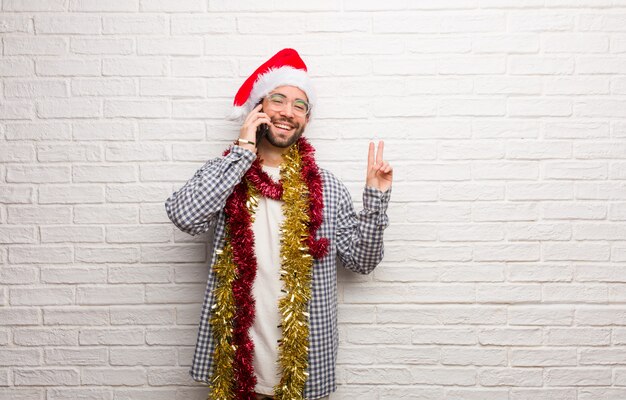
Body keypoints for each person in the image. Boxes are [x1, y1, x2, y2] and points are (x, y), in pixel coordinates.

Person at [164, 48, 393, 400]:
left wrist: (375, 200)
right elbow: (185, 217)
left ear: (307, 119)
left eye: (299, 105)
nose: (288, 112)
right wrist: (242, 151)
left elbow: (362, 263)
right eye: (278, 100)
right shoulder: (225, 175)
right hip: (234, 364)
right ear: (258, 108)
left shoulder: (326, 186)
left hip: (302, 365)